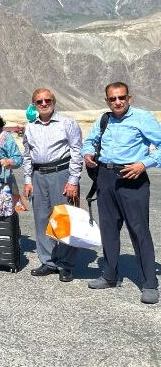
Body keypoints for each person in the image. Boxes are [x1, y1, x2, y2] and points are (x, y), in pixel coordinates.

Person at [83, 82, 161, 304]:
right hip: (105, 178)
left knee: (139, 231)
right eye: (112, 99)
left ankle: (150, 284)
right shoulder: (104, 119)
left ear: (129, 98)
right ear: (107, 100)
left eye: (121, 98)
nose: (117, 102)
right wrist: (88, 153)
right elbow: (90, 141)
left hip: (132, 178)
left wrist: (143, 164)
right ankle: (109, 275)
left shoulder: (142, 118)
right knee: (108, 229)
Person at [23, 88, 83, 282]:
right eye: (39, 102)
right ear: (34, 105)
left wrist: (73, 180)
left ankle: (65, 264)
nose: (43, 104)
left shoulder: (67, 122)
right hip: (38, 174)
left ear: (54, 102)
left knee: (64, 219)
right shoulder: (30, 126)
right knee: (42, 219)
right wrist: (27, 180)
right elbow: (27, 154)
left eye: (47, 100)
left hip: (61, 173)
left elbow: (76, 151)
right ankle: (48, 261)